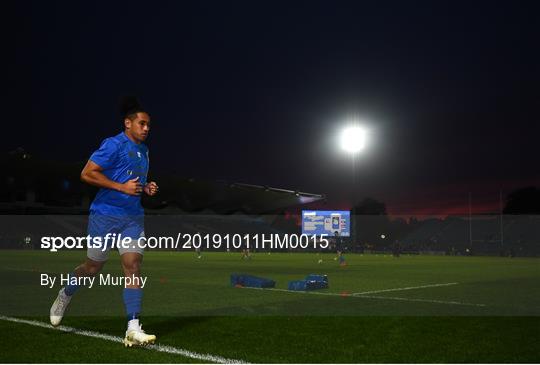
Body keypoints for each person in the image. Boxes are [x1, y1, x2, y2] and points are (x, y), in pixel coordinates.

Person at [49, 97, 159, 347]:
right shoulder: (113, 145)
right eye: (142, 124)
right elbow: (87, 173)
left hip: (132, 217)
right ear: (127, 123)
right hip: (105, 215)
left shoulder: (144, 151)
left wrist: (146, 188)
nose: (146, 128)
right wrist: (121, 186)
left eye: (149, 125)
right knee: (92, 268)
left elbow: (133, 182)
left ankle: (133, 327)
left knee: (133, 265)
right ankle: (65, 293)